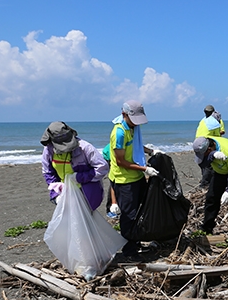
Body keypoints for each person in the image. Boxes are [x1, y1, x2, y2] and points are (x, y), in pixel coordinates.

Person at [109, 100, 160, 258]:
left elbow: (136, 146)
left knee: (140, 210)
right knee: (129, 216)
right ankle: (129, 251)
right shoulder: (119, 133)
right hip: (124, 181)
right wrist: (145, 169)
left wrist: (150, 151)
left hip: (136, 177)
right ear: (124, 114)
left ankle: (136, 241)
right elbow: (120, 161)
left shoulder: (133, 128)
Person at [41, 121, 109, 212]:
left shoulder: (85, 148)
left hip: (87, 193)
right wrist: (56, 192)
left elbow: (102, 168)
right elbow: (48, 172)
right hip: (64, 193)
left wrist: (79, 177)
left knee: (85, 219)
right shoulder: (49, 150)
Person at [193, 136, 228, 235]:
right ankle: (207, 227)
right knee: (211, 198)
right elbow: (202, 164)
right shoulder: (207, 145)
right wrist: (212, 155)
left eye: (205, 154)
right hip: (219, 172)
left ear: (209, 149)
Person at [195, 105, 225, 188]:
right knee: (209, 166)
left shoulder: (204, 120)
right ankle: (205, 184)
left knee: (204, 164)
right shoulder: (214, 121)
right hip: (206, 144)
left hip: (199, 143)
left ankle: (206, 183)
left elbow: (221, 132)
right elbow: (218, 135)